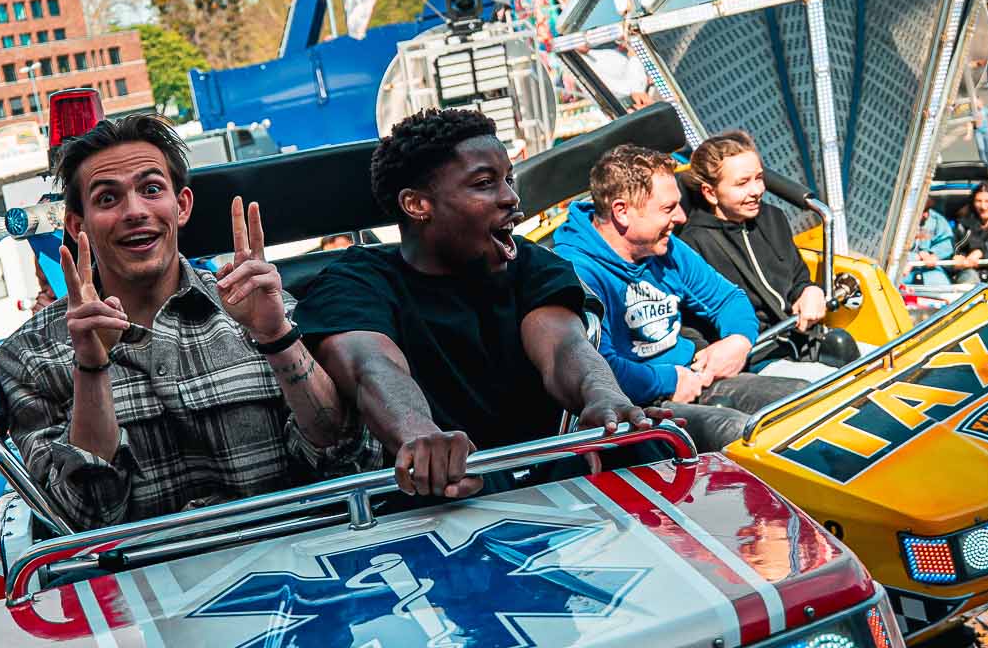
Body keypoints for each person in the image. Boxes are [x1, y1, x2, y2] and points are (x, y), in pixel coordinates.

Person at [0, 115, 380, 531]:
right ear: (77, 224)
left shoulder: (255, 306)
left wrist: (276, 337)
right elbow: (82, 519)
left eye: (151, 189)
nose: (135, 211)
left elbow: (348, 461)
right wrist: (91, 367)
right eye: (107, 199)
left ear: (181, 207)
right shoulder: (31, 354)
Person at [295, 108, 655, 500]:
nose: (511, 197)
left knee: (655, 443)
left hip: (549, 481)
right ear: (417, 205)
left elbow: (564, 348)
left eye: (509, 180)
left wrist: (602, 393)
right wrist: (421, 437)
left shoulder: (530, 263)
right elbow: (371, 367)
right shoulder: (357, 280)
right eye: (485, 183)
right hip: (439, 498)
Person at [554, 145, 812, 452]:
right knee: (736, 433)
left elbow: (728, 298)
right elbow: (597, 369)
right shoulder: (579, 272)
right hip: (636, 407)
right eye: (668, 208)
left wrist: (738, 340)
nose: (680, 216)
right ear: (622, 212)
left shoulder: (666, 248)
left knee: (807, 399)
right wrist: (669, 380)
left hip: (695, 379)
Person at [679, 131, 828, 353]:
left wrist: (810, 291)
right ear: (711, 193)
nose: (757, 191)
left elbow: (797, 278)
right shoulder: (693, 245)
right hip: (757, 353)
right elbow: (690, 323)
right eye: (742, 183)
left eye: (759, 178)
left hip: (801, 338)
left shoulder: (772, 218)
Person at [905, 197, 956, 288]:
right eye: (920, 212)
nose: (925, 215)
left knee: (942, 287)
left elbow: (946, 244)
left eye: (926, 210)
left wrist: (934, 255)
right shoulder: (897, 224)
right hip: (904, 271)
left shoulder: (937, 221)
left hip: (931, 271)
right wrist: (915, 257)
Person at [974, 97, 988, 171]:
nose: (976, 104)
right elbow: (971, 124)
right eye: (975, 102)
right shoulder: (973, 112)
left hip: (986, 131)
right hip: (978, 132)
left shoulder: (986, 110)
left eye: (977, 102)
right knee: (981, 148)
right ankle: (984, 164)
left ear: (981, 102)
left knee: (987, 149)